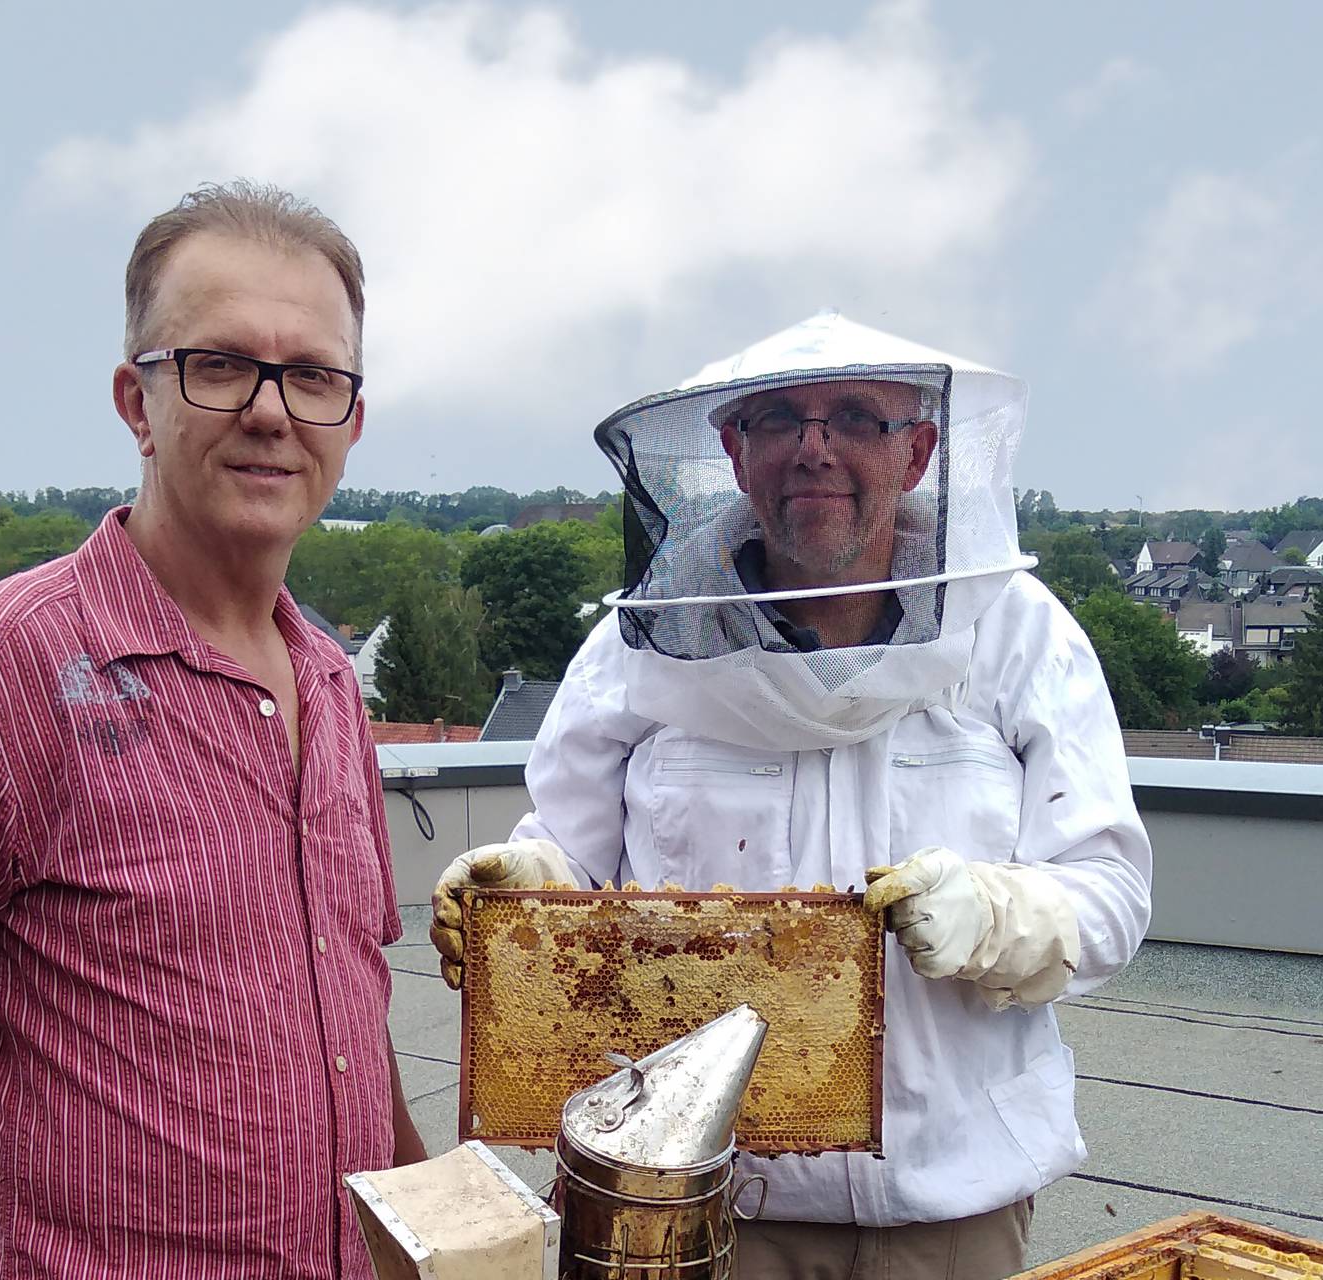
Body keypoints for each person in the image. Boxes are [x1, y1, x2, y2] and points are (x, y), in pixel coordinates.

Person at [431, 312, 1152, 1280]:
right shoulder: (638, 644)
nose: (815, 448)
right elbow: (572, 851)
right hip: (708, 1206)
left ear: (921, 449)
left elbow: (1109, 890)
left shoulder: (1018, 634)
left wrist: (994, 915)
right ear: (733, 449)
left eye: (856, 417)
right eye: (778, 420)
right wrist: (531, 884)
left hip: (949, 1210)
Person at [0, 181, 423, 1280]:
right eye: (222, 363)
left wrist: (426, 1235)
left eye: (315, 375)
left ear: (351, 421)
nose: (273, 411)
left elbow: (349, 1007)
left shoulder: (328, 678)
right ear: (138, 401)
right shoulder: (4, 665)